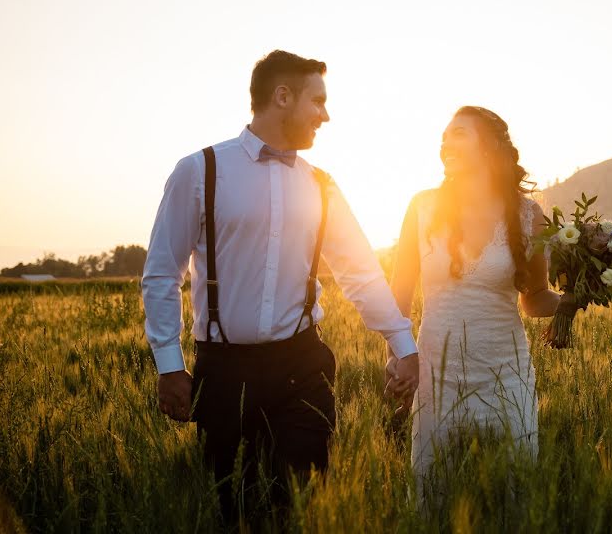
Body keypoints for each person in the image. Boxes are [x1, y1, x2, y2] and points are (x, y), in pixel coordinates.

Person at [141, 50, 419, 523]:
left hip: (302, 364)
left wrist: (403, 343)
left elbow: (360, 270)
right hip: (224, 372)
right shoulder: (200, 171)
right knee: (232, 507)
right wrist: (170, 365)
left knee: (304, 505)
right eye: (318, 101)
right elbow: (162, 273)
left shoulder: (322, 185)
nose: (326, 116)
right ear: (282, 96)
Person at [387, 106, 560, 502]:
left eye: (459, 134)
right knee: (430, 495)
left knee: (516, 497)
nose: (445, 142)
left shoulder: (529, 214)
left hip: (506, 374)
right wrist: (397, 353)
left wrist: (575, 300)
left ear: (488, 146)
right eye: (444, 136)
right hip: (436, 374)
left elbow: (534, 299)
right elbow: (399, 293)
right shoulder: (422, 207)